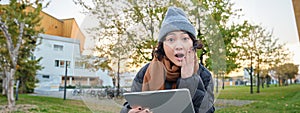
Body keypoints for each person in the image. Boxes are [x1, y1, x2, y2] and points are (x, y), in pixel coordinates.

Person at [120, 6, 215, 113]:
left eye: (185, 38)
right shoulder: (145, 72)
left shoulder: (204, 74)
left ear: (193, 44)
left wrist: (189, 80)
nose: (179, 46)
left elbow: (208, 110)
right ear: (163, 46)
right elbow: (129, 105)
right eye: (171, 39)